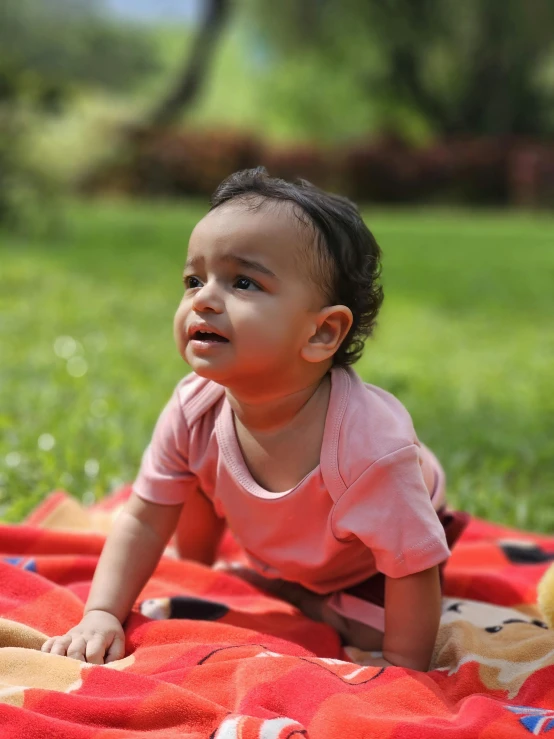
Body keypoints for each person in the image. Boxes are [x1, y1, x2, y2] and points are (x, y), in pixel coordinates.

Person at [41, 168, 468, 671]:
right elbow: (143, 516)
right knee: (188, 476)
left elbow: (413, 565)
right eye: (194, 280)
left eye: (243, 282)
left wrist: (403, 672)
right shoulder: (194, 407)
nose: (203, 298)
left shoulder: (371, 448)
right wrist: (101, 614)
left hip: (364, 556)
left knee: (378, 625)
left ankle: (304, 597)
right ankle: (201, 571)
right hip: (279, 531)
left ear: (322, 333)